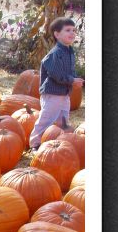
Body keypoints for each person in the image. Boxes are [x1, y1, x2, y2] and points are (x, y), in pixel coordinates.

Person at [29, 17, 84, 150]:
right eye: (68, 30)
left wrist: (75, 79)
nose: (72, 33)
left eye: (73, 30)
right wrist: (71, 80)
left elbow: (69, 71)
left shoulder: (69, 51)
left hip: (64, 93)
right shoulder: (55, 53)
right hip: (52, 93)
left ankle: (61, 141)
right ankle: (35, 144)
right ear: (57, 34)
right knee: (46, 119)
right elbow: (56, 73)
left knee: (63, 119)